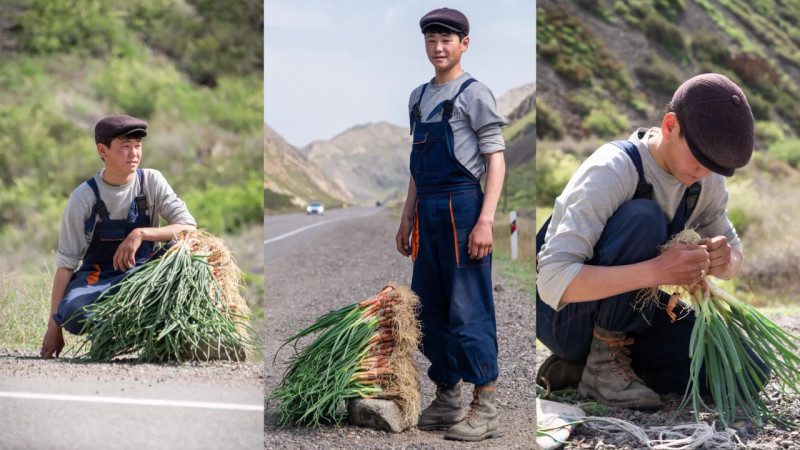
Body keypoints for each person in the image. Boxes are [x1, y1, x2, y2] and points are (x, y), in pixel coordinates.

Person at [536, 73, 769, 409]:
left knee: (748, 372)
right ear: (671, 125)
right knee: (643, 219)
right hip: (564, 317)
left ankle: (586, 370)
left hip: (633, 314)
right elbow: (553, 281)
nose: (705, 171)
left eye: (714, 165)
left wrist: (725, 258)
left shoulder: (706, 179)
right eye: (700, 157)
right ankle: (600, 364)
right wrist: (659, 271)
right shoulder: (613, 169)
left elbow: (734, 252)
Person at [395, 7, 506, 441]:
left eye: (447, 39)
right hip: (428, 211)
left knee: (469, 309)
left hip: (463, 208)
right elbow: (415, 168)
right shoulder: (418, 97)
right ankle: (448, 396)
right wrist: (407, 216)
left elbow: (495, 161)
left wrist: (486, 220)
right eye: (431, 40)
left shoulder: (475, 94)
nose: (438, 47)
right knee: (428, 307)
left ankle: (487, 405)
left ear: (464, 43)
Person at [40, 114, 196, 358]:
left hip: (145, 275)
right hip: (98, 280)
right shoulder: (83, 198)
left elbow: (188, 226)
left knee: (190, 250)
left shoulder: (151, 181)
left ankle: (175, 336)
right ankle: (113, 332)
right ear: (103, 150)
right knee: (70, 310)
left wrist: (141, 233)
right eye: (125, 147)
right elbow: (66, 265)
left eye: (137, 146)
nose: (134, 154)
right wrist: (53, 327)